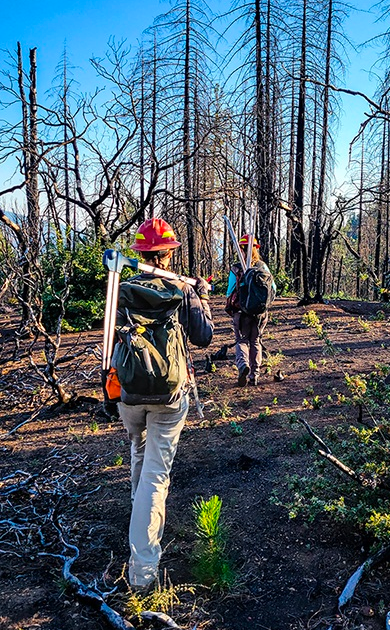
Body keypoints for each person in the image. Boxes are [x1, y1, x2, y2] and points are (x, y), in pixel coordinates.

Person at [117, 218, 213, 592]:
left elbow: (112, 340)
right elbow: (203, 338)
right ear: (169, 253)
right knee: (157, 475)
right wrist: (201, 297)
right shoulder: (181, 289)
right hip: (170, 395)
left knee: (139, 453)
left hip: (130, 395)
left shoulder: (122, 288)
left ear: (140, 252)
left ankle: (140, 520)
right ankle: (142, 571)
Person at [225, 234, 275, 388]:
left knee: (242, 340)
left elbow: (229, 291)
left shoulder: (236, 268)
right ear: (256, 248)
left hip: (242, 313)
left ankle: (243, 366)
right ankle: (255, 375)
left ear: (241, 248)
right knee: (255, 341)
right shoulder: (262, 267)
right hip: (260, 313)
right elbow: (273, 289)